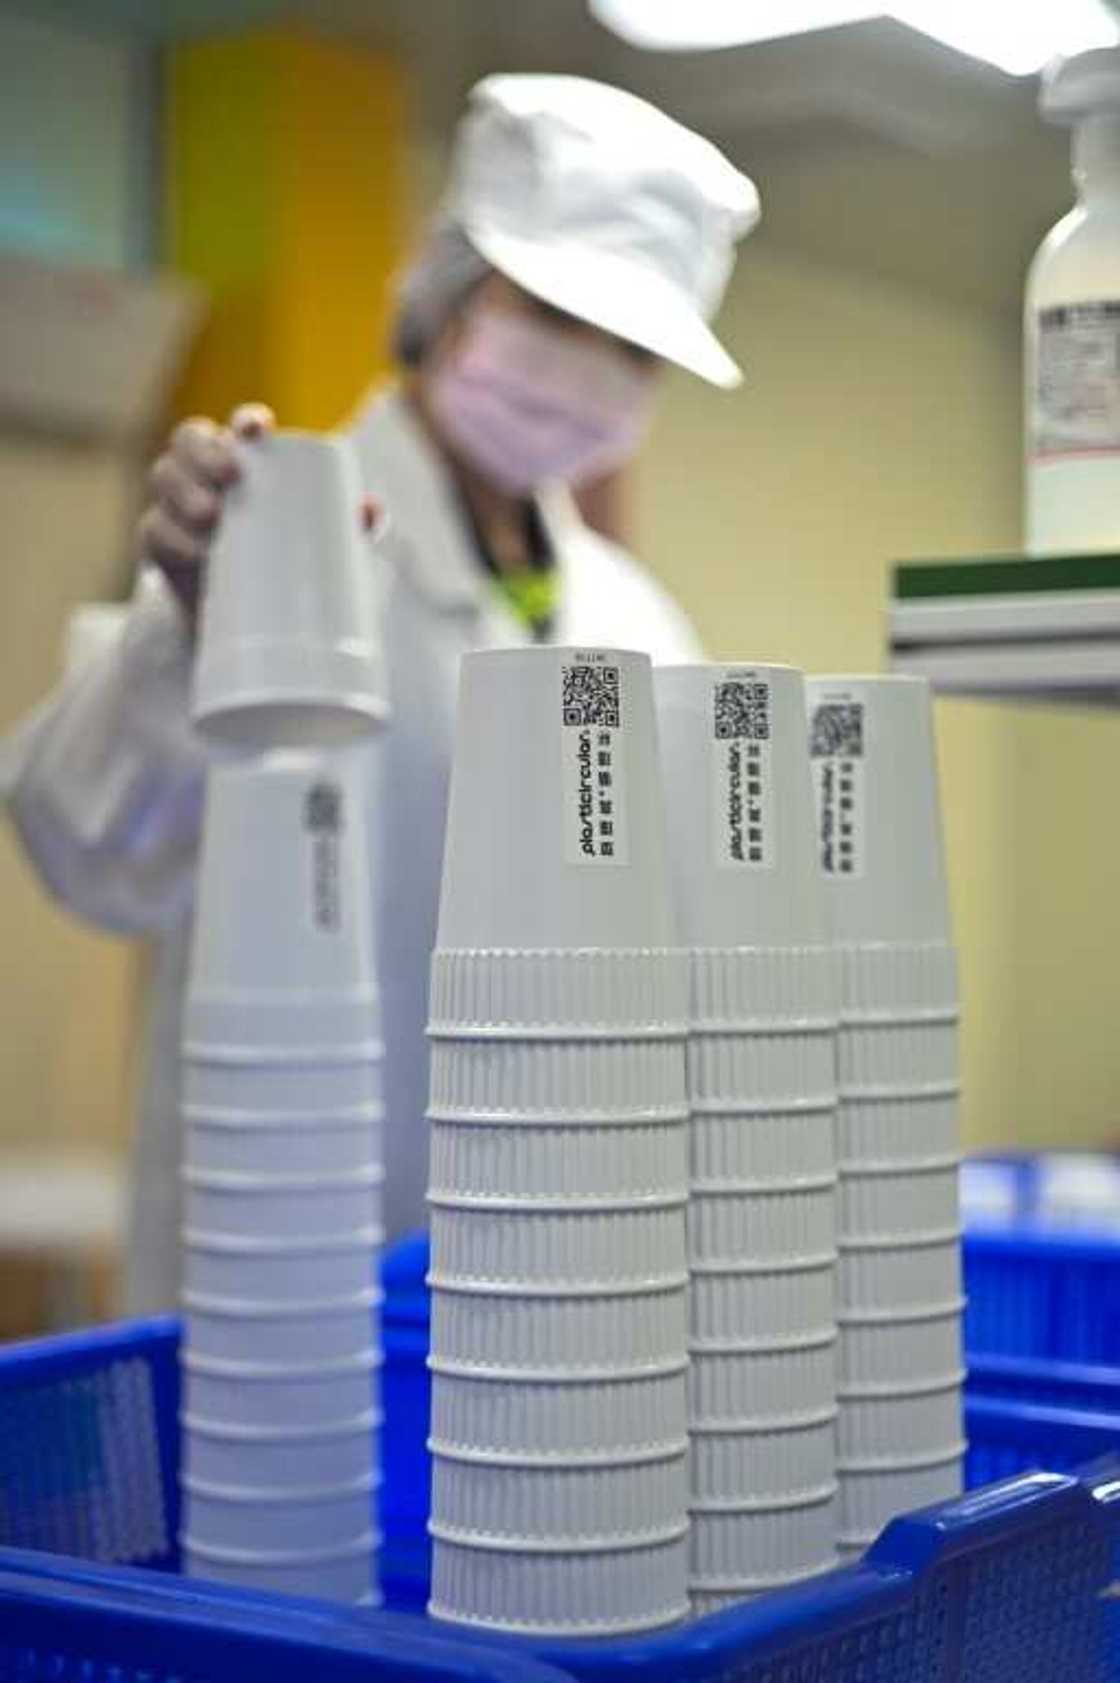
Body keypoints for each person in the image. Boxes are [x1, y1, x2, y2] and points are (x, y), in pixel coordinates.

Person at [2, 74, 760, 1313]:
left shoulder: (640, 623)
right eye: (556, 313)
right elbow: (87, 849)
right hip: (279, 1277)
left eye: (635, 350)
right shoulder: (269, 534)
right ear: (449, 294)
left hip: (549, 1292)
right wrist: (193, 621)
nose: (589, 372)